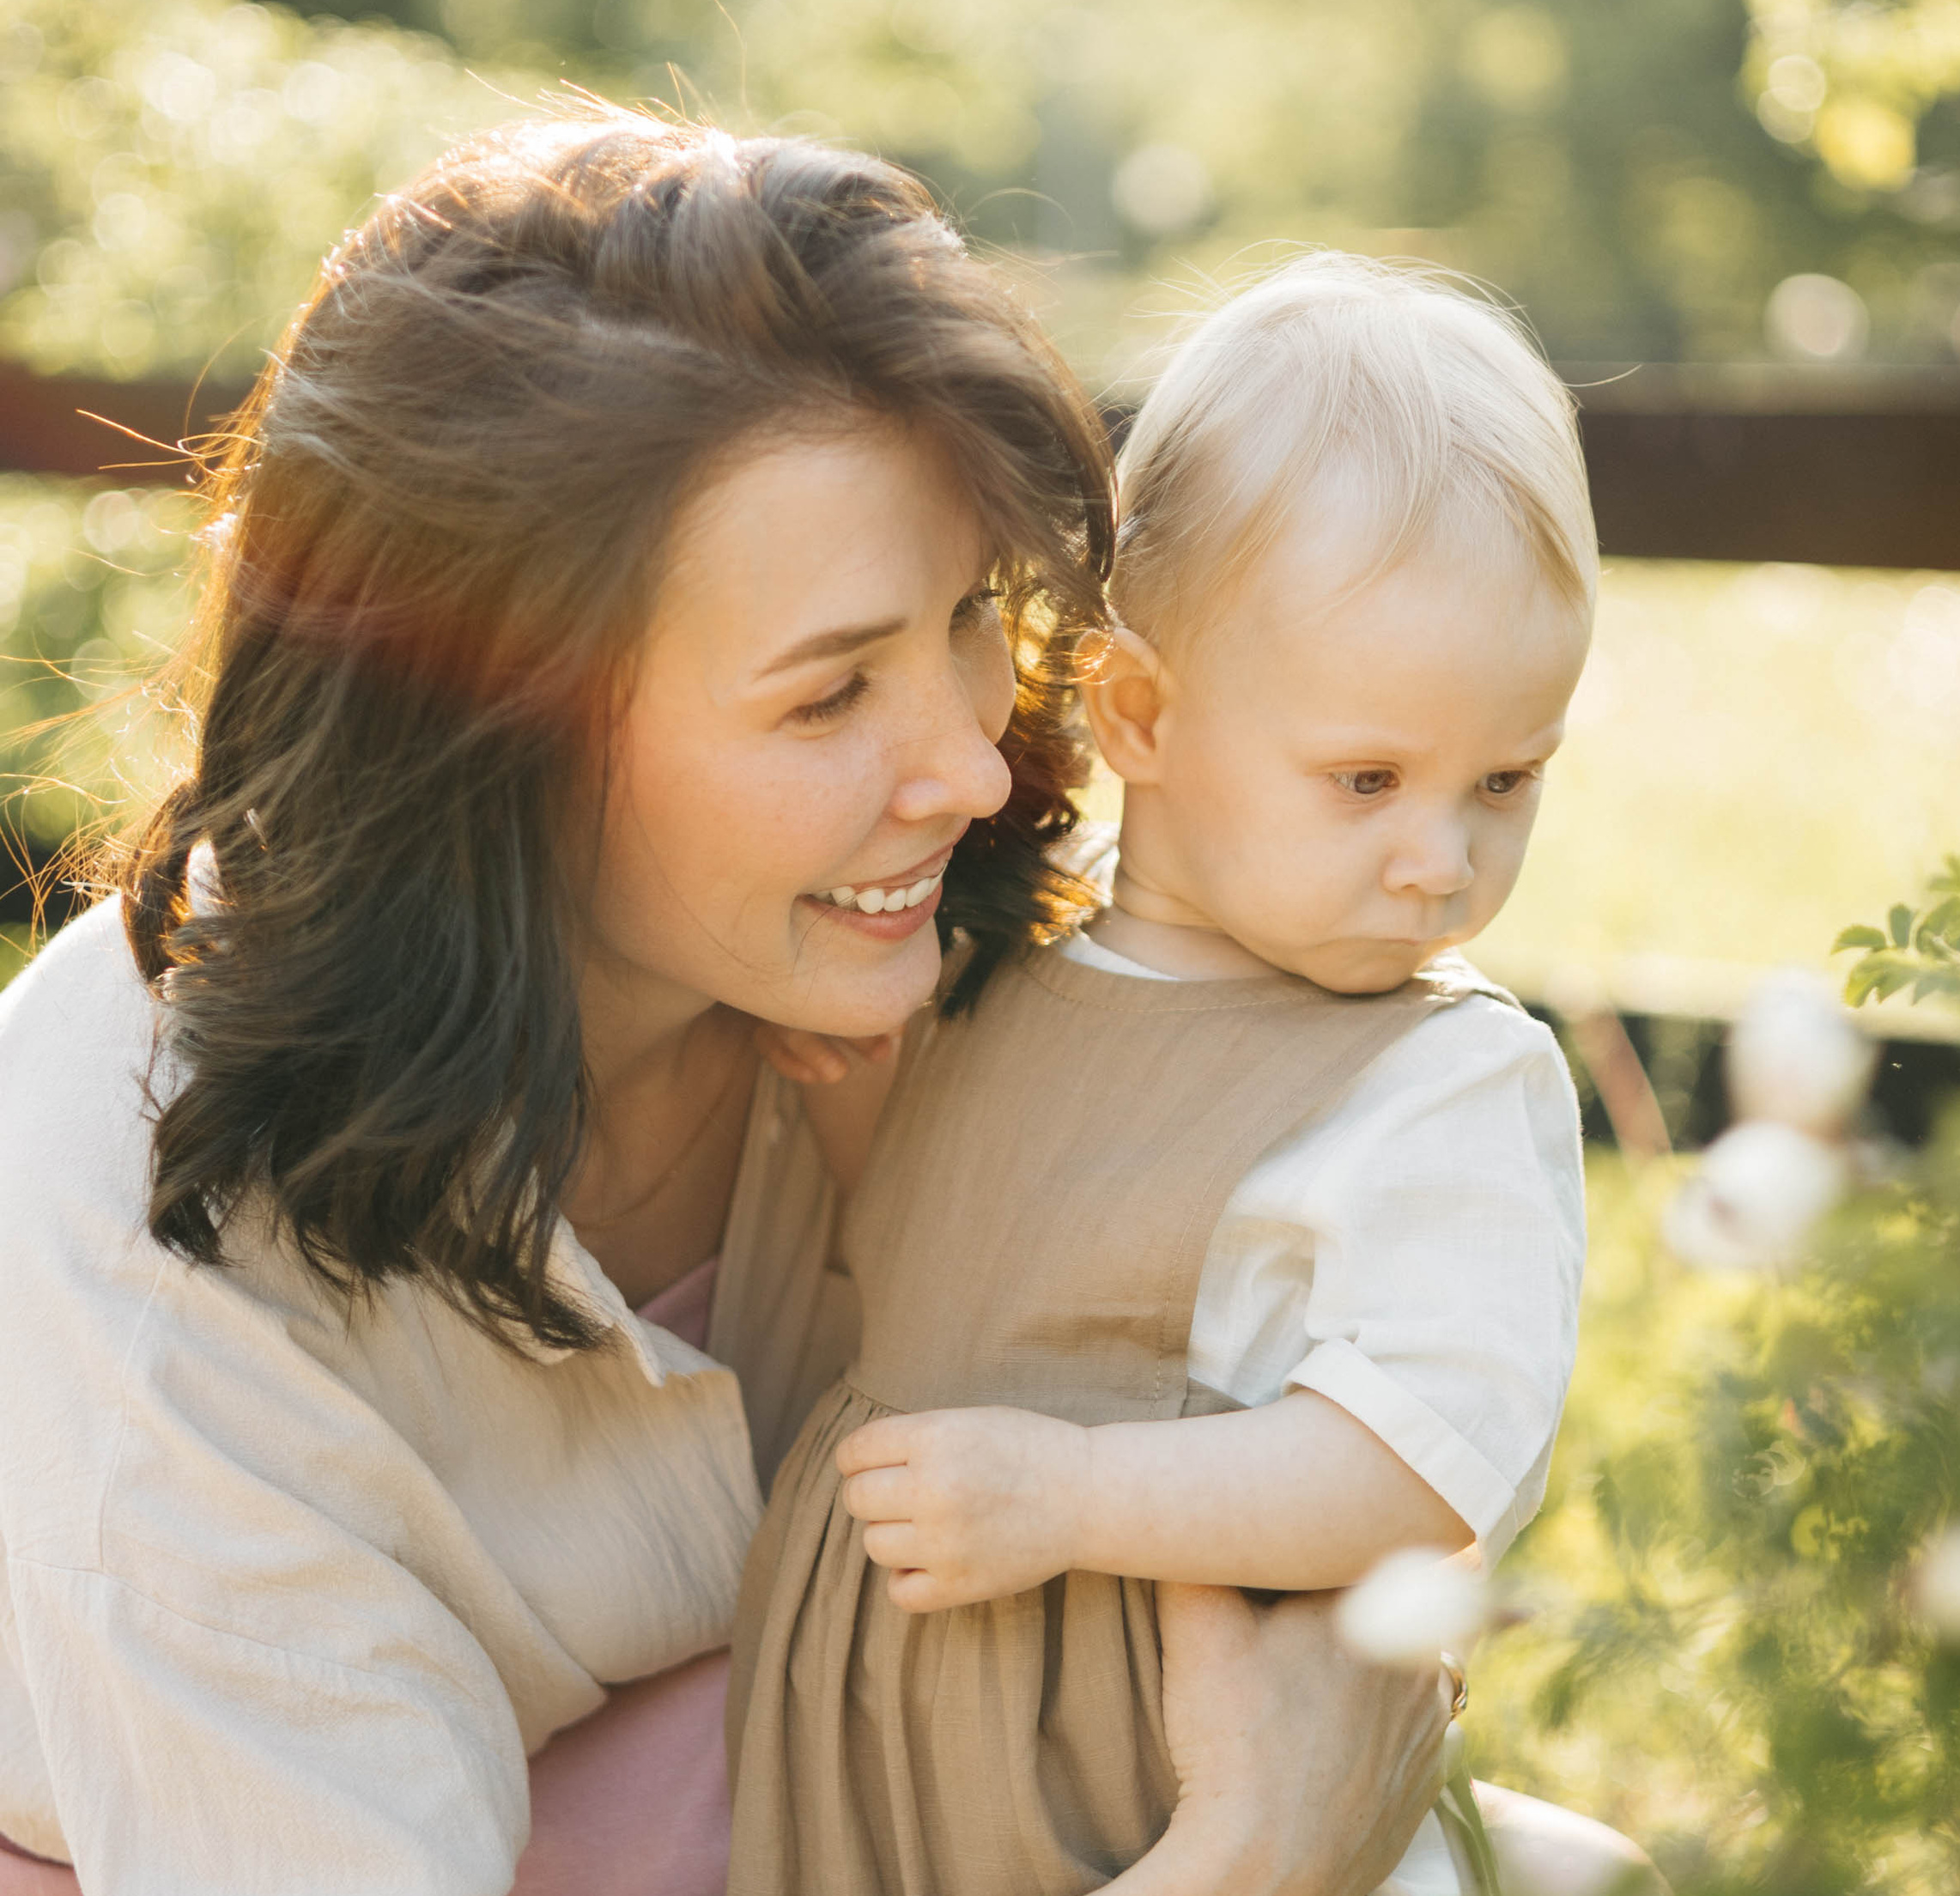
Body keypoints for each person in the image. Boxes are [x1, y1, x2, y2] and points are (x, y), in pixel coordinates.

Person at [0, 114, 1455, 1896]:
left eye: (964, 619)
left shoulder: (900, 978)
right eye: (827, 694)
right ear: (495, 732)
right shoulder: (164, 1247)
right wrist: (1248, 1855)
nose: (972, 769)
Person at [723, 255, 1598, 1896]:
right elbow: (946, 1247)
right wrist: (849, 1088)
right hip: (887, 1778)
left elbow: (1419, 1466)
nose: (1441, 859)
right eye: (1368, 778)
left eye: (1505, 780)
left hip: (1197, 1788)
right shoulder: (994, 987)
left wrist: (1074, 1494)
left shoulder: (1438, 1086)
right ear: (1138, 711)